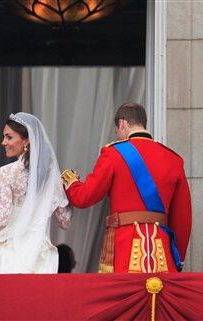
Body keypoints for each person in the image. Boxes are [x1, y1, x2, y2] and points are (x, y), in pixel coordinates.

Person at [62, 102, 191, 273]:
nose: (118, 135)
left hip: (125, 249)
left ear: (122, 123)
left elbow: (84, 197)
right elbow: (183, 218)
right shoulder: (173, 158)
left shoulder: (113, 153)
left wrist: (69, 179)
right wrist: (178, 258)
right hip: (162, 255)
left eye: (117, 131)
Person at [0, 112, 72, 273]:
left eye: (8, 137)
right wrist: (68, 190)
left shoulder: (6, 172)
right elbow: (65, 222)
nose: (3, 142)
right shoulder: (50, 177)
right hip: (40, 256)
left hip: (8, 252)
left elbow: (3, 218)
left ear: (26, 140)